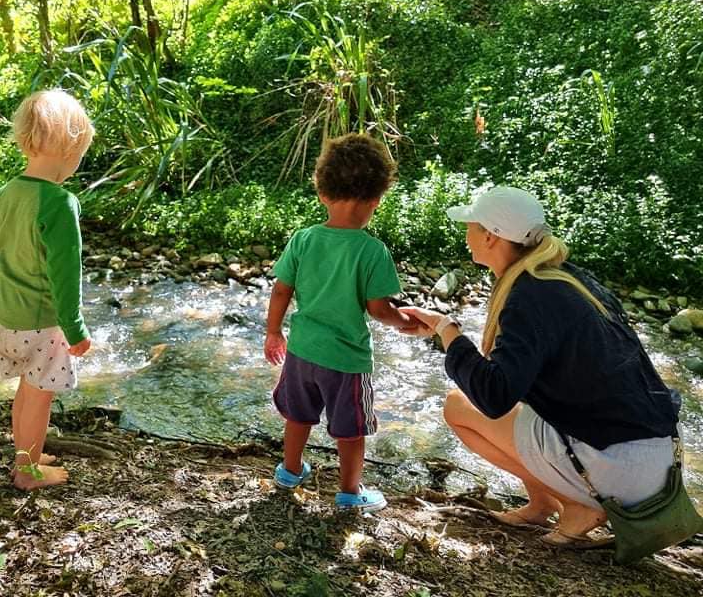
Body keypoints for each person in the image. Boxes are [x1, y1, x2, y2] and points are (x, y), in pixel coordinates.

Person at [399, 186, 682, 547]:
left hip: (623, 466)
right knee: (517, 405)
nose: (465, 233)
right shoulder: (566, 278)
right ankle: (542, 503)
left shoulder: (530, 294)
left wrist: (447, 331)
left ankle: (576, 505)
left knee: (458, 406)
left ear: (490, 236)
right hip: (657, 459)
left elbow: (494, 396)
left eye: (470, 224)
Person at [264, 133, 422, 512]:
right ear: (376, 200)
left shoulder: (303, 239)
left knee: (297, 415)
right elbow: (379, 309)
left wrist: (273, 332)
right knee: (350, 430)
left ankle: (290, 471)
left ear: (322, 192)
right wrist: (407, 323)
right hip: (347, 361)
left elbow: (281, 290)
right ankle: (350, 493)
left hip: (301, 351)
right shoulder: (372, 250)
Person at [0, 89, 94, 491]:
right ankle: (28, 472)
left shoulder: (7, 192)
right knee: (39, 397)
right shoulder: (60, 202)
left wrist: (10, 286)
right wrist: (75, 328)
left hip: (8, 317)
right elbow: (65, 273)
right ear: (70, 147)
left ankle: (26, 453)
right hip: (43, 323)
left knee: (26, 392)